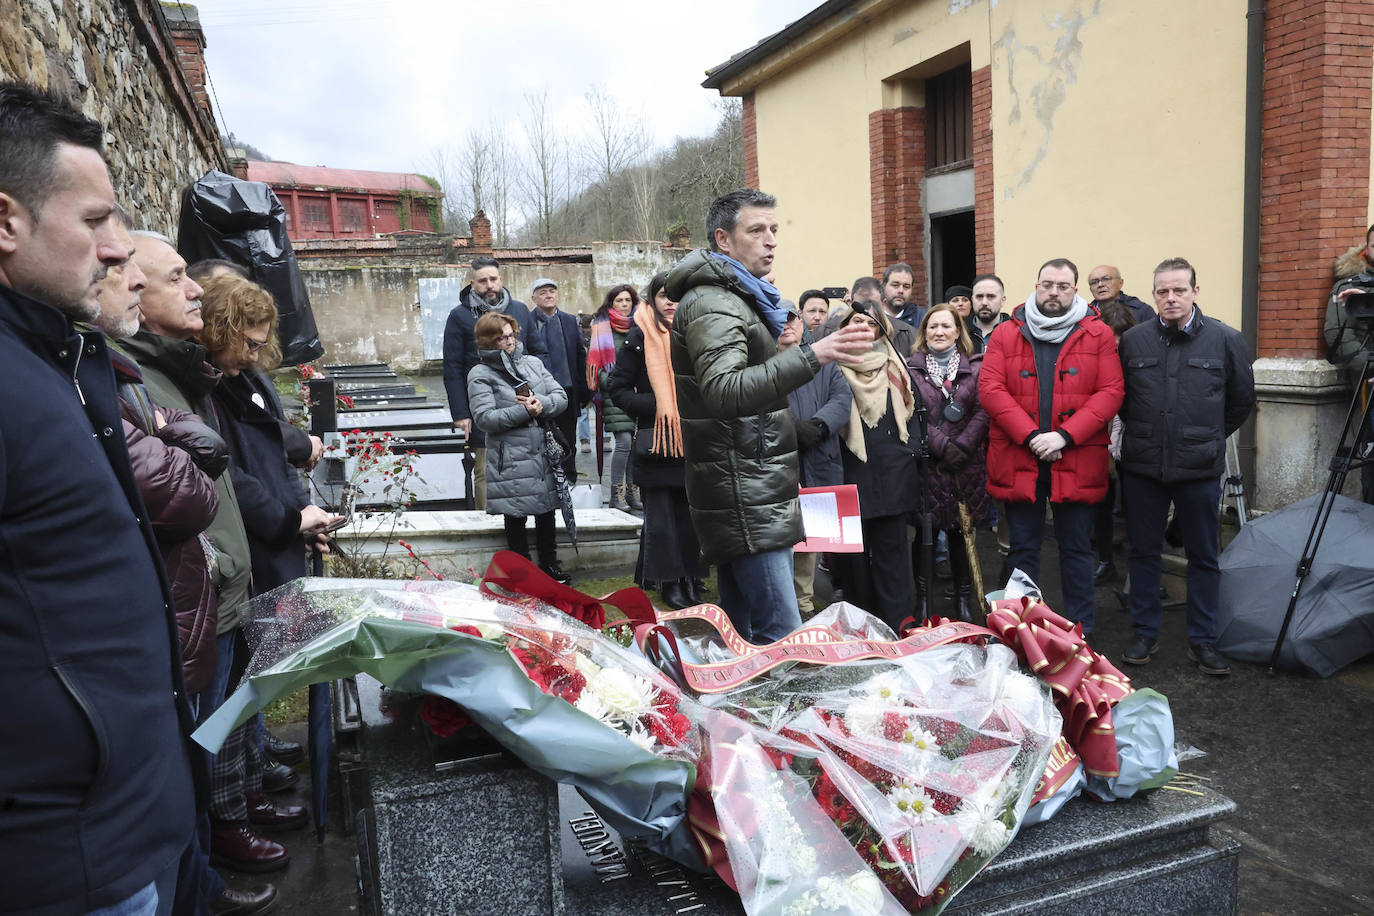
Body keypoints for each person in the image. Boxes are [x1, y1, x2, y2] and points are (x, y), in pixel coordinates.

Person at [0, 79, 195, 916]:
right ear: (7, 222)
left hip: (123, 824)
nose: (121, 250)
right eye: (93, 221)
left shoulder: (51, 358)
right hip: (59, 854)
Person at [666, 187, 871, 642]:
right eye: (756, 230)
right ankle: (790, 713)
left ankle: (734, 712)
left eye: (774, 229)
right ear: (723, 239)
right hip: (744, 491)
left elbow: (740, 379)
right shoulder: (715, 301)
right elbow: (722, 390)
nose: (771, 240)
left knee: (742, 636)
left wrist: (780, 352)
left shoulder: (742, 296)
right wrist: (812, 355)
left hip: (752, 485)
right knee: (782, 640)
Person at [199, 273, 334, 869]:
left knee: (256, 669)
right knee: (240, 681)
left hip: (274, 532)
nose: (255, 354)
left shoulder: (238, 376)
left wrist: (300, 507)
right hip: (252, 541)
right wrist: (288, 517)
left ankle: (251, 781)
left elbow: (264, 444)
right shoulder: (210, 384)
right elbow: (232, 474)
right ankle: (236, 805)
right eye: (248, 343)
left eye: (259, 344)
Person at [1118, 258, 1255, 676]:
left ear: (1196, 291)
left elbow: (1240, 401)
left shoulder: (1226, 339)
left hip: (1199, 469)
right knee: (1143, 552)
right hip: (1143, 468)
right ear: (1154, 294)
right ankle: (1145, 632)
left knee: (1203, 556)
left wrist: (1208, 436)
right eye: (1163, 291)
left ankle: (1202, 640)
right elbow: (1121, 398)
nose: (1171, 298)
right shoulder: (1133, 341)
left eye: (1179, 290)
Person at [979, 257, 1124, 639]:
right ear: (1036, 285)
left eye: (1062, 286)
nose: (1054, 292)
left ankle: (1080, 631)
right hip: (1019, 456)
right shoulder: (1007, 332)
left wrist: (1063, 436)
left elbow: (1111, 392)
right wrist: (1030, 436)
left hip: (1075, 456)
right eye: (1047, 285)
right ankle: (1018, 628)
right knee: (1022, 548)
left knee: (1076, 549)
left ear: (1075, 289)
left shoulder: (1098, 334)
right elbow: (991, 390)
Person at [604, 272, 705, 608]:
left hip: (692, 439)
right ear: (651, 300)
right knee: (661, 518)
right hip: (655, 441)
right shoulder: (638, 337)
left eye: (676, 296)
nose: (671, 302)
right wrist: (658, 406)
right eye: (664, 296)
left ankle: (691, 576)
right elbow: (616, 389)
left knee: (691, 517)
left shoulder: (696, 333)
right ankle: (670, 581)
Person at [829, 304, 923, 631]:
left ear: (881, 332)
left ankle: (896, 625)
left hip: (893, 473)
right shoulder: (830, 368)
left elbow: (912, 415)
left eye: (871, 324)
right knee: (852, 561)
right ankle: (860, 627)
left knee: (893, 556)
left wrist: (907, 452)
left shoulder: (896, 367)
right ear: (844, 328)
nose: (863, 328)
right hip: (847, 472)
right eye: (856, 322)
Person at [468, 311, 571, 582]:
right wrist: (526, 412)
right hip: (509, 454)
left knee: (547, 509)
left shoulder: (533, 363)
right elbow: (484, 418)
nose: (509, 340)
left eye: (512, 334)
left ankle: (550, 564)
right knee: (516, 514)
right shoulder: (480, 374)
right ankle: (521, 572)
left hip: (542, 450)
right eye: (502, 337)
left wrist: (541, 405)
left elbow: (560, 396)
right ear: (489, 341)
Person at [907, 304, 992, 622]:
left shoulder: (976, 368)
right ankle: (924, 601)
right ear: (924, 332)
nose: (939, 332)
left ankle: (962, 600)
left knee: (961, 533)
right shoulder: (910, 370)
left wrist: (963, 446)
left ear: (958, 331)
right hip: (929, 467)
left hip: (966, 468)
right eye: (932, 327)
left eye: (946, 326)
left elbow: (984, 411)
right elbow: (911, 412)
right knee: (924, 536)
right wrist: (944, 445)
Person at [442, 255, 546, 509]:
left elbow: (538, 352)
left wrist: (540, 391)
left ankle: (525, 519)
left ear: (501, 280)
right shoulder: (459, 316)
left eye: (493, 279)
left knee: (528, 465)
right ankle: (487, 521)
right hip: (484, 403)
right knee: (486, 468)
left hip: (523, 401)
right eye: (482, 281)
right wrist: (461, 413)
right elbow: (453, 367)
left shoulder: (520, 310)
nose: (489, 285)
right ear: (472, 283)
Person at [780, 307, 853, 616]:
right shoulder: (761, 363)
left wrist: (819, 426)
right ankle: (782, 604)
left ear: (800, 324)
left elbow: (841, 398)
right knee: (781, 537)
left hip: (819, 456)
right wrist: (791, 429)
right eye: (778, 319)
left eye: (790, 318)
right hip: (780, 459)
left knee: (812, 537)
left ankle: (803, 603)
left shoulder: (823, 362)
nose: (785, 326)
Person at [1324, 225, 1374, 502]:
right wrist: (1370, 366)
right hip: (1368, 383)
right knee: (1370, 456)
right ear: (1366, 247)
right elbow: (1338, 336)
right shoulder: (1350, 285)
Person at [1091, 301, 1138, 587]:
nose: (1117, 342)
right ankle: (1105, 561)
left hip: (1130, 439)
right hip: (1101, 438)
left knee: (1136, 508)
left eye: (1122, 335)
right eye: (1113, 334)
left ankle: (1138, 573)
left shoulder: (1137, 353)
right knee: (1102, 505)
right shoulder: (1095, 352)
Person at [529, 277, 588, 484]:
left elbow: (580, 355)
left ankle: (569, 480)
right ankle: (545, 480)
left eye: (552, 291)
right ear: (534, 298)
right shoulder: (528, 323)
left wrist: (584, 389)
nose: (548, 295)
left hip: (568, 389)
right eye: (543, 292)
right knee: (543, 437)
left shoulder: (569, 320)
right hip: (540, 393)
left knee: (568, 437)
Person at [587, 284, 640, 511]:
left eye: (628, 300)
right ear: (611, 303)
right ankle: (616, 494)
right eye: (619, 300)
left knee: (636, 444)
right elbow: (594, 366)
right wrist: (615, 384)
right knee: (625, 441)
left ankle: (632, 491)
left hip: (638, 394)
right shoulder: (601, 327)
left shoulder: (640, 326)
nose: (624, 305)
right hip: (614, 394)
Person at [820, 275, 917, 356]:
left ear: (883, 303)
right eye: (861, 306)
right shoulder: (826, 332)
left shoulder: (906, 334)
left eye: (873, 305)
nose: (867, 311)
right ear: (851, 302)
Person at [1087, 264, 1155, 324]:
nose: (1100, 285)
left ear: (1120, 283)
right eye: (1094, 282)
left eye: (1106, 279)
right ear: (1090, 289)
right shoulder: (1085, 314)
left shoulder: (1141, 310)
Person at [969, 273, 1010, 355]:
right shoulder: (960, 334)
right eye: (979, 296)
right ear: (972, 300)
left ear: (1003, 300)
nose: (984, 302)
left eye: (991, 296)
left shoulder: (1016, 333)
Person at [883, 261, 924, 327]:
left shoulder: (922, 319)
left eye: (906, 286)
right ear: (884, 286)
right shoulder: (871, 317)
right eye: (895, 285)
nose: (901, 291)